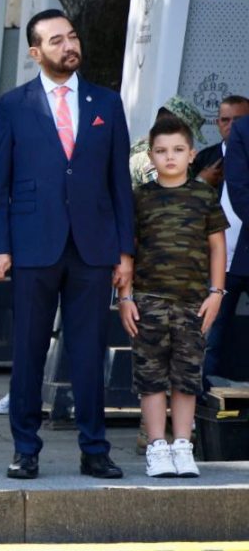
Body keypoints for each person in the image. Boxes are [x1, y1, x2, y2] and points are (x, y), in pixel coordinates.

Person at [0, 8, 133, 480]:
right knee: (29, 352)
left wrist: (125, 251)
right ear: (35, 52)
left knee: (89, 352)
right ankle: (25, 449)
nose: (69, 46)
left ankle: (95, 448)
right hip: (33, 246)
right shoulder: (14, 104)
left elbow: (119, 184)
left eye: (72, 37)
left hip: (93, 246)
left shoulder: (106, 103)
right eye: (56, 40)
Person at [118, 114, 227, 478]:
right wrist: (125, 297)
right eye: (162, 151)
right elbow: (127, 253)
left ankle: (182, 444)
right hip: (147, 300)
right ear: (150, 157)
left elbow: (217, 247)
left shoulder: (204, 196)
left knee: (186, 376)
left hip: (194, 303)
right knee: (149, 376)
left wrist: (217, 293)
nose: (170, 157)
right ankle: (157, 446)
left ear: (192, 154)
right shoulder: (139, 199)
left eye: (178, 150)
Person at [201, 97, 249, 388]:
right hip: (219, 262)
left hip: (244, 253)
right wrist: (204, 180)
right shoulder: (206, 158)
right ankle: (200, 412)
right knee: (211, 336)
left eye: (238, 120)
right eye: (224, 120)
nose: (231, 127)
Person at [192, 95, 249, 190]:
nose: (231, 125)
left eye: (238, 120)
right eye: (225, 120)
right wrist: (201, 182)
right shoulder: (203, 159)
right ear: (218, 123)